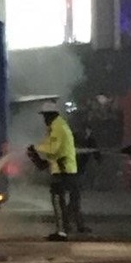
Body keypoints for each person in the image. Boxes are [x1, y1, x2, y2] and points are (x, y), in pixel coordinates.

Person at [28, 101, 90, 242]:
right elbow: (53, 149)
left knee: (57, 200)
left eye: (45, 116)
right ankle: (65, 228)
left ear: (51, 115)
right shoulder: (57, 126)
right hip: (63, 168)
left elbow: (53, 149)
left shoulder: (57, 127)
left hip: (63, 170)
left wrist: (36, 148)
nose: (44, 119)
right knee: (63, 200)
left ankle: (61, 232)